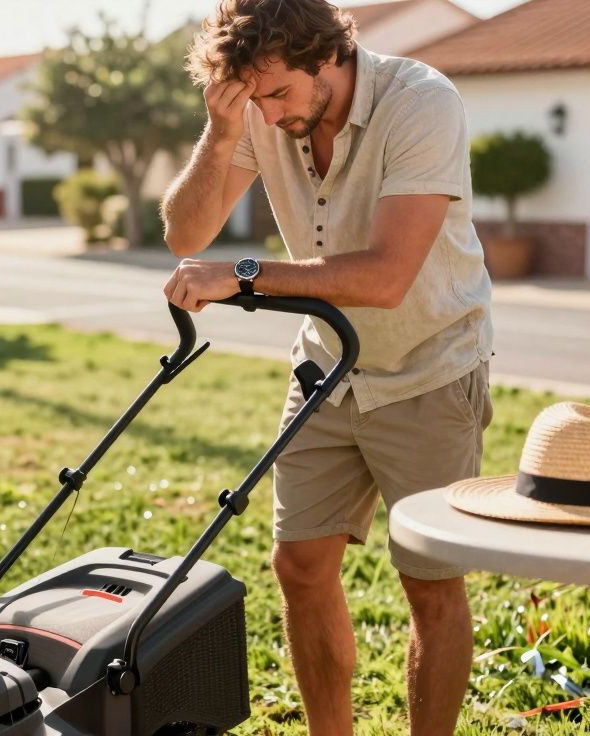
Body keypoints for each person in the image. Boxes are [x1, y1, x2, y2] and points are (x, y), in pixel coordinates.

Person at [159, 1, 494, 734]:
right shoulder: (257, 111)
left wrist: (243, 273)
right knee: (299, 567)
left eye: (278, 94)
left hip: (428, 368)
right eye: (256, 98)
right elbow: (184, 232)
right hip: (328, 367)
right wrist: (221, 135)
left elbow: (384, 278)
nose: (270, 114)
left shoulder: (421, 103)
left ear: (327, 56)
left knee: (430, 587)